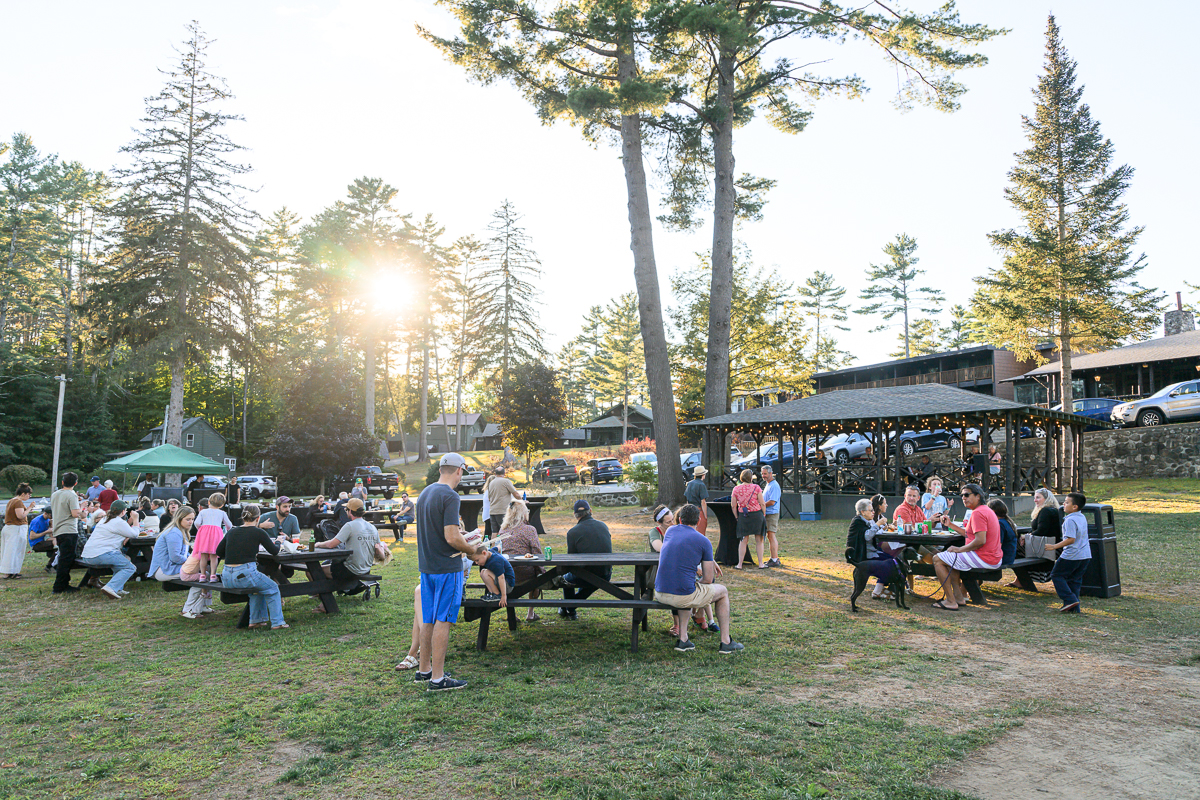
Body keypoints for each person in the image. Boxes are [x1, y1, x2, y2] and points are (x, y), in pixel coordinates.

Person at [414, 453, 474, 691]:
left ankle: (424, 669)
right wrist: (471, 549)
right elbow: (451, 536)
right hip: (448, 567)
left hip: (427, 566)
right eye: (462, 474)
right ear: (458, 470)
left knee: (427, 618)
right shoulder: (450, 495)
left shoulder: (424, 493)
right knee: (444, 620)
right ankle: (438, 679)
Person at [654, 504, 744, 654]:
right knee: (723, 592)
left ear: (680, 519)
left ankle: (683, 640)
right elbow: (708, 578)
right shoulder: (703, 541)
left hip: (660, 592)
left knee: (687, 589)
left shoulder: (670, 531)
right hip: (680, 596)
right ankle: (726, 642)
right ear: (699, 519)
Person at [216, 504, 289, 630]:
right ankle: (278, 622)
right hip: (245, 575)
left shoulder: (232, 531)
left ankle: (256, 620)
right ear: (258, 518)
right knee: (273, 587)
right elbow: (274, 551)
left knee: (259, 588)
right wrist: (278, 541)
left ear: (243, 517)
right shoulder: (258, 532)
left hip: (227, 577)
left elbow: (218, 552)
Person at [930, 484, 1002, 610]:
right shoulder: (985, 510)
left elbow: (980, 541)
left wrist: (959, 549)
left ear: (978, 496)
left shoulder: (978, 513)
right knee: (948, 559)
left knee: (937, 558)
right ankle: (958, 598)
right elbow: (969, 534)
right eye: (962, 495)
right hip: (992, 557)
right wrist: (951, 525)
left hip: (984, 557)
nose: (964, 498)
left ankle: (950, 601)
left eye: (967, 494)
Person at [649, 506, 717, 635]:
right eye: (668, 522)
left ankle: (687, 630)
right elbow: (662, 548)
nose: (671, 524)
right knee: (690, 586)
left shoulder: (672, 531)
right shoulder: (662, 532)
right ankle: (724, 638)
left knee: (686, 584)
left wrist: (709, 559)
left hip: (664, 586)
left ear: (679, 520)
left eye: (672, 521)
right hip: (660, 575)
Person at [314, 497, 382, 611]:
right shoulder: (372, 527)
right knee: (324, 568)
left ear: (350, 511)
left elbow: (332, 544)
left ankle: (325, 604)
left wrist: (318, 544)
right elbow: (378, 549)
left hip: (349, 569)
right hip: (366, 568)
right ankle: (322, 598)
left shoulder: (350, 526)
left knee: (315, 572)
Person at [559, 499, 612, 620]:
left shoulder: (572, 532)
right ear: (591, 511)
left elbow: (571, 560)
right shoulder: (603, 526)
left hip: (586, 575)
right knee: (590, 577)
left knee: (566, 579)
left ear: (575, 515)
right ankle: (568, 607)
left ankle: (569, 609)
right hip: (605, 574)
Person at [78, 500, 140, 600]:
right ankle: (110, 587)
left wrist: (126, 535)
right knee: (130, 568)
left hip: (88, 554)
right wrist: (136, 519)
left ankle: (118, 588)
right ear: (123, 511)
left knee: (125, 559)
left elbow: (121, 531)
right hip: (101, 554)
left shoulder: (105, 519)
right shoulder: (118, 521)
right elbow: (134, 534)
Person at [846, 497, 900, 601]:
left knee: (893, 561)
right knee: (891, 563)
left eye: (873, 510)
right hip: (863, 554)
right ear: (863, 512)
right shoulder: (857, 521)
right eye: (871, 510)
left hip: (872, 551)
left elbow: (874, 533)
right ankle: (878, 591)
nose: (873, 512)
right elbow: (867, 536)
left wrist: (884, 527)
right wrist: (877, 524)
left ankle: (884, 588)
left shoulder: (868, 520)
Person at [1044, 492, 1091, 613]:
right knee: (1074, 580)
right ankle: (1074, 608)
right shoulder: (1082, 517)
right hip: (1085, 555)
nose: (1063, 504)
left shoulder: (1070, 521)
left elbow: (1071, 539)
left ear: (1075, 506)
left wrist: (1054, 546)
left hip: (1072, 555)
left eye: (1066, 502)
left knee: (1056, 575)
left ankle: (1069, 599)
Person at [498, 500, 542, 622]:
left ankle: (511, 614)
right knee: (537, 577)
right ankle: (530, 613)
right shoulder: (529, 529)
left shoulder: (502, 531)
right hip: (526, 572)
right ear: (523, 514)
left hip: (507, 574)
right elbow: (537, 552)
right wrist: (543, 571)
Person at [50, 472, 85, 594]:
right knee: (67, 559)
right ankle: (59, 586)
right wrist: (82, 507)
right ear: (75, 483)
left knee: (63, 557)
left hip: (58, 529)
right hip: (69, 529)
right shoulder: (72, 495)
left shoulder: (55, 494)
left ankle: (63, 584)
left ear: (62, 482)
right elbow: (75, 514)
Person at [193, 492, 234, 582]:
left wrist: (201, 529)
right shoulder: (222, 513)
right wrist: (226, 531)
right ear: (222, 505)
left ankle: (202, 575)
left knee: (203, 556)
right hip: (216, 534)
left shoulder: (203, 512)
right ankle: (213, 575)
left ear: (209, 502)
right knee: (214, 556)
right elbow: (229, 525)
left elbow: (196, 523)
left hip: (204, 534)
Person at [731, 469, 765, 570]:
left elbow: (733, 505)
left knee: (743, 540)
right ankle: (760, 563)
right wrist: (763, 513)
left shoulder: (736, 489)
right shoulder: (756, 487)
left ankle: (740, 564)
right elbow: (762, 502)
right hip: (757, 515)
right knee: (759, 540)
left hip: (743, 515)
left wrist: (736, 516)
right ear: (751, 478)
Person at [150, 505, 194, 581]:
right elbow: (175, 557)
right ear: (179, 519)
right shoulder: (174, 533)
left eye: (192, 519)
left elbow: (185, 553)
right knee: (203, 575)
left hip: (171, 567)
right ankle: (202, 593)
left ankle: (202, 593)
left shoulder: (181, 531)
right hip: (165, 570)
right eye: (188, 519)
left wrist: (194, 560)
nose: (191, 522)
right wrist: (191, 563)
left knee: (204, 572)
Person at [2, 483, 33, 578]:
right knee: (14, 550)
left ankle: (11, 571)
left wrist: (27, 510)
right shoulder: (18, 502)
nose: (29, 496)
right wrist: (30, 508)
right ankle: (10, 572)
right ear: (23, 493)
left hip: (10, 528)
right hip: (16, 528)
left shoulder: (12, 501)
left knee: (9, 550)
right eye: (29, 494)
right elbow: (20, 516)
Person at [485, 466, 521, 535]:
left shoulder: (491, 483)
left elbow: (489, 498)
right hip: (503, 511)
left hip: (492, 511)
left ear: (495, 474)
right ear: (504, 474)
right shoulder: (506, 481)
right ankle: (505, 546)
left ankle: (493, 545)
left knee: (494, 532)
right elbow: (516, 494)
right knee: (505, 531)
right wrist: (522, 501)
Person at [760, 465, 782, 568]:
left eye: (765, 474)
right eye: (762, 473)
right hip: (767, 513)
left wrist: (761, 504)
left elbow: (772, 501)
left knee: (771, 535)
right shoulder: (768, 484)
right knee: (769, 536)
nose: (763, 476)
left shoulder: (774, 485)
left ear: (770, 473)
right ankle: (773, 557)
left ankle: (775, 559)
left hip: (772, 513)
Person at [987, 498, 1018, 566]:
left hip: (1004, 558)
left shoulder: (999, 524)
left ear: (993, 511)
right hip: (1010, 557)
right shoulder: (1007, 521)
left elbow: (998, 545)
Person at [683, 466, 710, 535]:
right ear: (703, 475)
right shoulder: (701, 485)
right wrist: (705, 516)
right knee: (700, 533)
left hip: (690, 510)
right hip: (699, 510)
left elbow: (687, 500)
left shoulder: (689, 484)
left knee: (690, 532)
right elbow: (703, 502)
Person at [27, 506, 54, 572]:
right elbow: (32, 536)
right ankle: (49, 566)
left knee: (60, 543)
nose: (52, 516)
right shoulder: (37, 521)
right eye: (51, 515)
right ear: (46, 513)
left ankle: (53, 563)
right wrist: (46, 532)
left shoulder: (48, 520)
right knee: (58, 546)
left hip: (43, 540)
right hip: (36, 543)